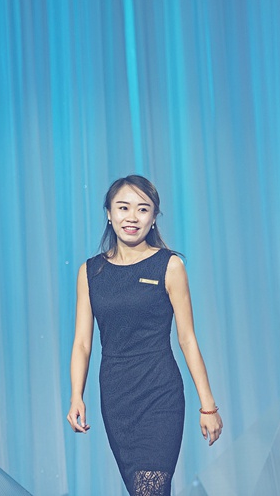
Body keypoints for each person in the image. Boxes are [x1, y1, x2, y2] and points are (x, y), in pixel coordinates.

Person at [66, 175, 223, 495]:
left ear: (154, 217)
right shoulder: (90, 272)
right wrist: (75, 396)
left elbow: (187, 339)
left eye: (142, 209)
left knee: (149, 490)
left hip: (160, 393)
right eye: (123, 208)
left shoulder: (170, 265)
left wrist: (208, 405)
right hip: (116, 396)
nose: (132, 217)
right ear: (109, 213)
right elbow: (82, 343)